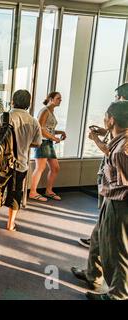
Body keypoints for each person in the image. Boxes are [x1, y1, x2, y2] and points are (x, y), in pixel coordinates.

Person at [71, 101, 128, 300]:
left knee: (116, 249)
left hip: (121, 203)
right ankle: (93, 274)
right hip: (111, 198)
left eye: (106, 116)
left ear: (112, 119)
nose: (104, 119)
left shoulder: (124, 148)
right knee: (97, 238)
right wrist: (99, 135)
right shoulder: (120, 139)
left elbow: (118, 159)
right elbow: (112, 154)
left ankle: (118, 295)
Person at [0, 90, 42, 231]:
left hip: (1, 162)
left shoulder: (5, 117)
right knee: (16, 193)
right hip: (21, 163)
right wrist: (24, 144)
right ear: (28, 104)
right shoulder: (33, 121)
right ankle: (10, 223)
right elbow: (38, 143)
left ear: (13, 101)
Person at [78, 83, 128, 248]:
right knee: (103, 216)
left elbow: (111, 151)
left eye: (117, 97)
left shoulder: (123, 148)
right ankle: (97, 241)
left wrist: (96, 139)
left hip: (117, 194)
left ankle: (100, 240)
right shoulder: (122, 124)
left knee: (107, 217)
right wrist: (104, 131)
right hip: (113, 185)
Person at [29, 92, 67, 202]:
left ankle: (48, 191)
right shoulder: (45, 110)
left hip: (48, 142)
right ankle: (32, 192)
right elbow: (40, 129)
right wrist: (54, 138)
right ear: (51, 99)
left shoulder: (51, 111)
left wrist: (60, 132)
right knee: (40, 168)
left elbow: (48, 129)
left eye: (60, 98)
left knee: (55, 168)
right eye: (58, 98)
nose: (60, 100)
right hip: (42, 142)